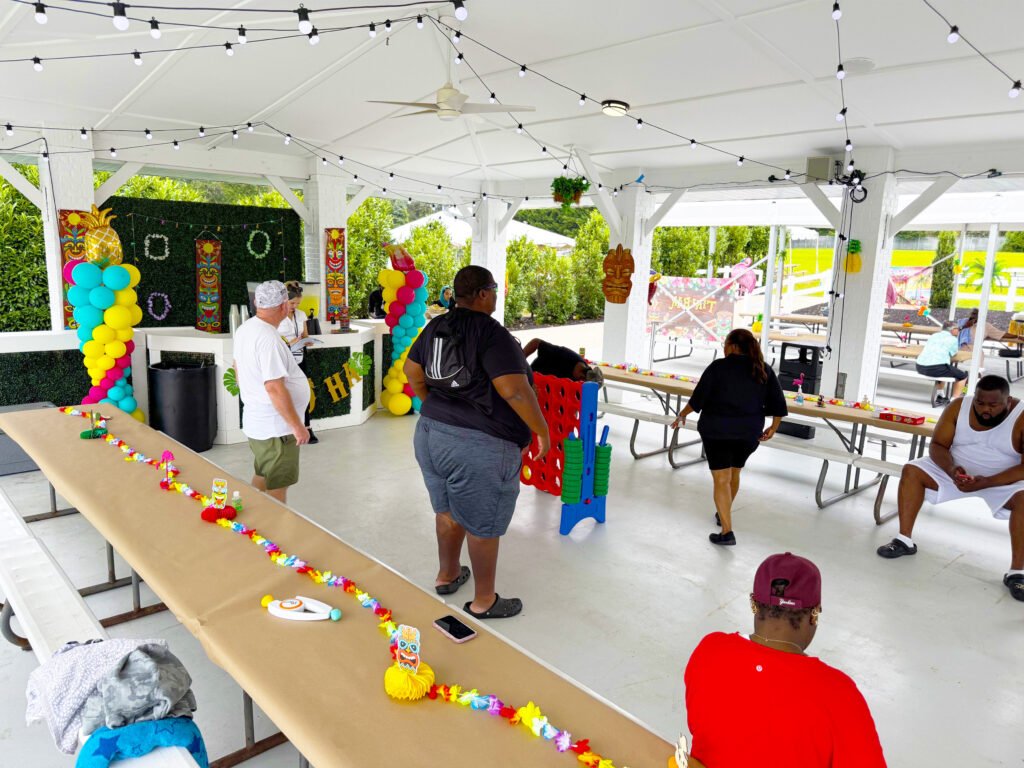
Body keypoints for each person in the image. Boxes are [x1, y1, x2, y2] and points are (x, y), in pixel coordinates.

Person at [405, 266, 550, 620]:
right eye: (495, 289)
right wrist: (542, 430)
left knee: (446, 510)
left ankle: (448, 574)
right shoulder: (492, 333)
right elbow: (515, 390)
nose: (496, 295)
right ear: (483, 294)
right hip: (479, 445)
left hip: (430, 436)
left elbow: (412, 371)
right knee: (483, 525)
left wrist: (433, 404)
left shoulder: (436, 325)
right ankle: (484, 601)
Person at [683, 553, 887, 767]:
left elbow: (700, 727)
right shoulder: (840, 694)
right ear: (813, 615)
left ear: (754, 604)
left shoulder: (711, 649)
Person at [877, 375, 1024, 602]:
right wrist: (952, 469)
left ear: (1008, 401)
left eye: (993, 405)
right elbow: (937, 445)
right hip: (956, 471)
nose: (985, 410)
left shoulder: (1021, 416)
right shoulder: (958, 407)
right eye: (980, 403)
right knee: (912, 470)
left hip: (1002, 479)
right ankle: (903, 540)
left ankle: (1017, 572)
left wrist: (986, 482)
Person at [671, 328, 788, 545]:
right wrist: (774, 427)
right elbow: (778, 402)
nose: (723, 348)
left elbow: (698, 398)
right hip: (748, 433)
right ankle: (723, 513)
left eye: (725, 344)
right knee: (734, 473)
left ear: (733, 346)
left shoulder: (718, 367)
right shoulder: (762, 368)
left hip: (717, 431)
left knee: (721, 479)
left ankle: (727, 531)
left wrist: (682, 415)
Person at [232, 280, 310, 504]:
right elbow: (274, 387)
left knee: (263, 475)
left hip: (259, 423)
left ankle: (249, 515)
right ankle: (273, 527)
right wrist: (297, 426)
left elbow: (237, 369)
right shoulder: (268, 339)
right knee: (277, 491)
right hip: (277, 430)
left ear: (258, 303)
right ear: (284, 306)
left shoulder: (246, 328)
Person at [277, 286, 318, 444]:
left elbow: (305, 334)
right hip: (283, 359)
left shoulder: (301, 315)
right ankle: (285, 430)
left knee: (303, 391)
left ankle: (307, 427)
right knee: (284, 393)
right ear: (285, 300)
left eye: (298, 303)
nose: (295, 306)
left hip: (300, 357)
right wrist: (291, 342)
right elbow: (273, 339)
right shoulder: (277, 316)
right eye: (292, 303)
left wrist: (307, 340)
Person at [915, 320, 967, 405]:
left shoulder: (934, 335)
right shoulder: (953, 339)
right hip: (935, 368)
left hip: (919, 366)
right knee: (963, 376)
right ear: (953, 329)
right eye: (958, 329)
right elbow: (953, 353)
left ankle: (940, 395)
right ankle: (954, 401)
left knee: (946, 369)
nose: (959, 331)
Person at [522, 338, 604, 383]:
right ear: (582, 376)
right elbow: (536, 342)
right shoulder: (564, 355)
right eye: (581, 380)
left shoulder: (580, 375)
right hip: (532, 380)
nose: (578, 382)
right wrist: (520, 361)